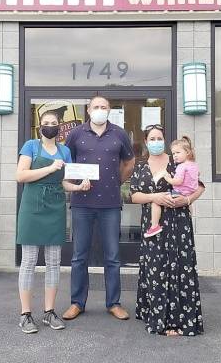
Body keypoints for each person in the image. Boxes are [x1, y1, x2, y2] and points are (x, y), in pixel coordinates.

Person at [16, 110, 90, 334]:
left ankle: (49, 312)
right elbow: (20, 175)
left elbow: (65, 182)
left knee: (54, 261)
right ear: (40, 126)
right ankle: (25, 314)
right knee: (28, 260)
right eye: (46, 123)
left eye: (54, 123)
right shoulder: (30, 146)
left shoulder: (65, 150)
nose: (50, 126)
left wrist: (78, 187)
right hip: (32, 207)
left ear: (60, 126)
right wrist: (50, 167)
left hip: (55, 206)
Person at [62, 96, 136, 321]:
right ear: (88, 110)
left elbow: (129, 162)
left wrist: (117, 181)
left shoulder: (119, 134)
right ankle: (77, 303)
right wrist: (76, 183)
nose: (100, 110)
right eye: (96, 107)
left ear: (109, 110)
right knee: (79, 256)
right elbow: (68, 163)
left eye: (104, 107)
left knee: (112, 256)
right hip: (82, 204)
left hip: (110, 204)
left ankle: (113, 303)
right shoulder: (76, 134)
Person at [130, 124, 204, 336]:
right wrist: (154, 197)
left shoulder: (178, 160)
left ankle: (179, 320)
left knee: (180, 267)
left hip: (178, 223)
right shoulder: (141, 166)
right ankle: (157, 316)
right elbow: (134, 195)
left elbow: (199, 186)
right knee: (156, 266)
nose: (156, 142)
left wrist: (187, 199)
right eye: (152, 138)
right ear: (146, 142)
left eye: (159, 138)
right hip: (153, 225)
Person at [145, 137, 199, 238]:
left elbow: (178, 181)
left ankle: (154, 226)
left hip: (179, 193)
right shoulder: (194, 165)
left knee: (156, 201)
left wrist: (167, 178)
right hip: (189, 194)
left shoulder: (181, 166)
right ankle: (190, 212)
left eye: (178, 153)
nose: (175, 156)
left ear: (187, 152)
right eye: (173, 153)